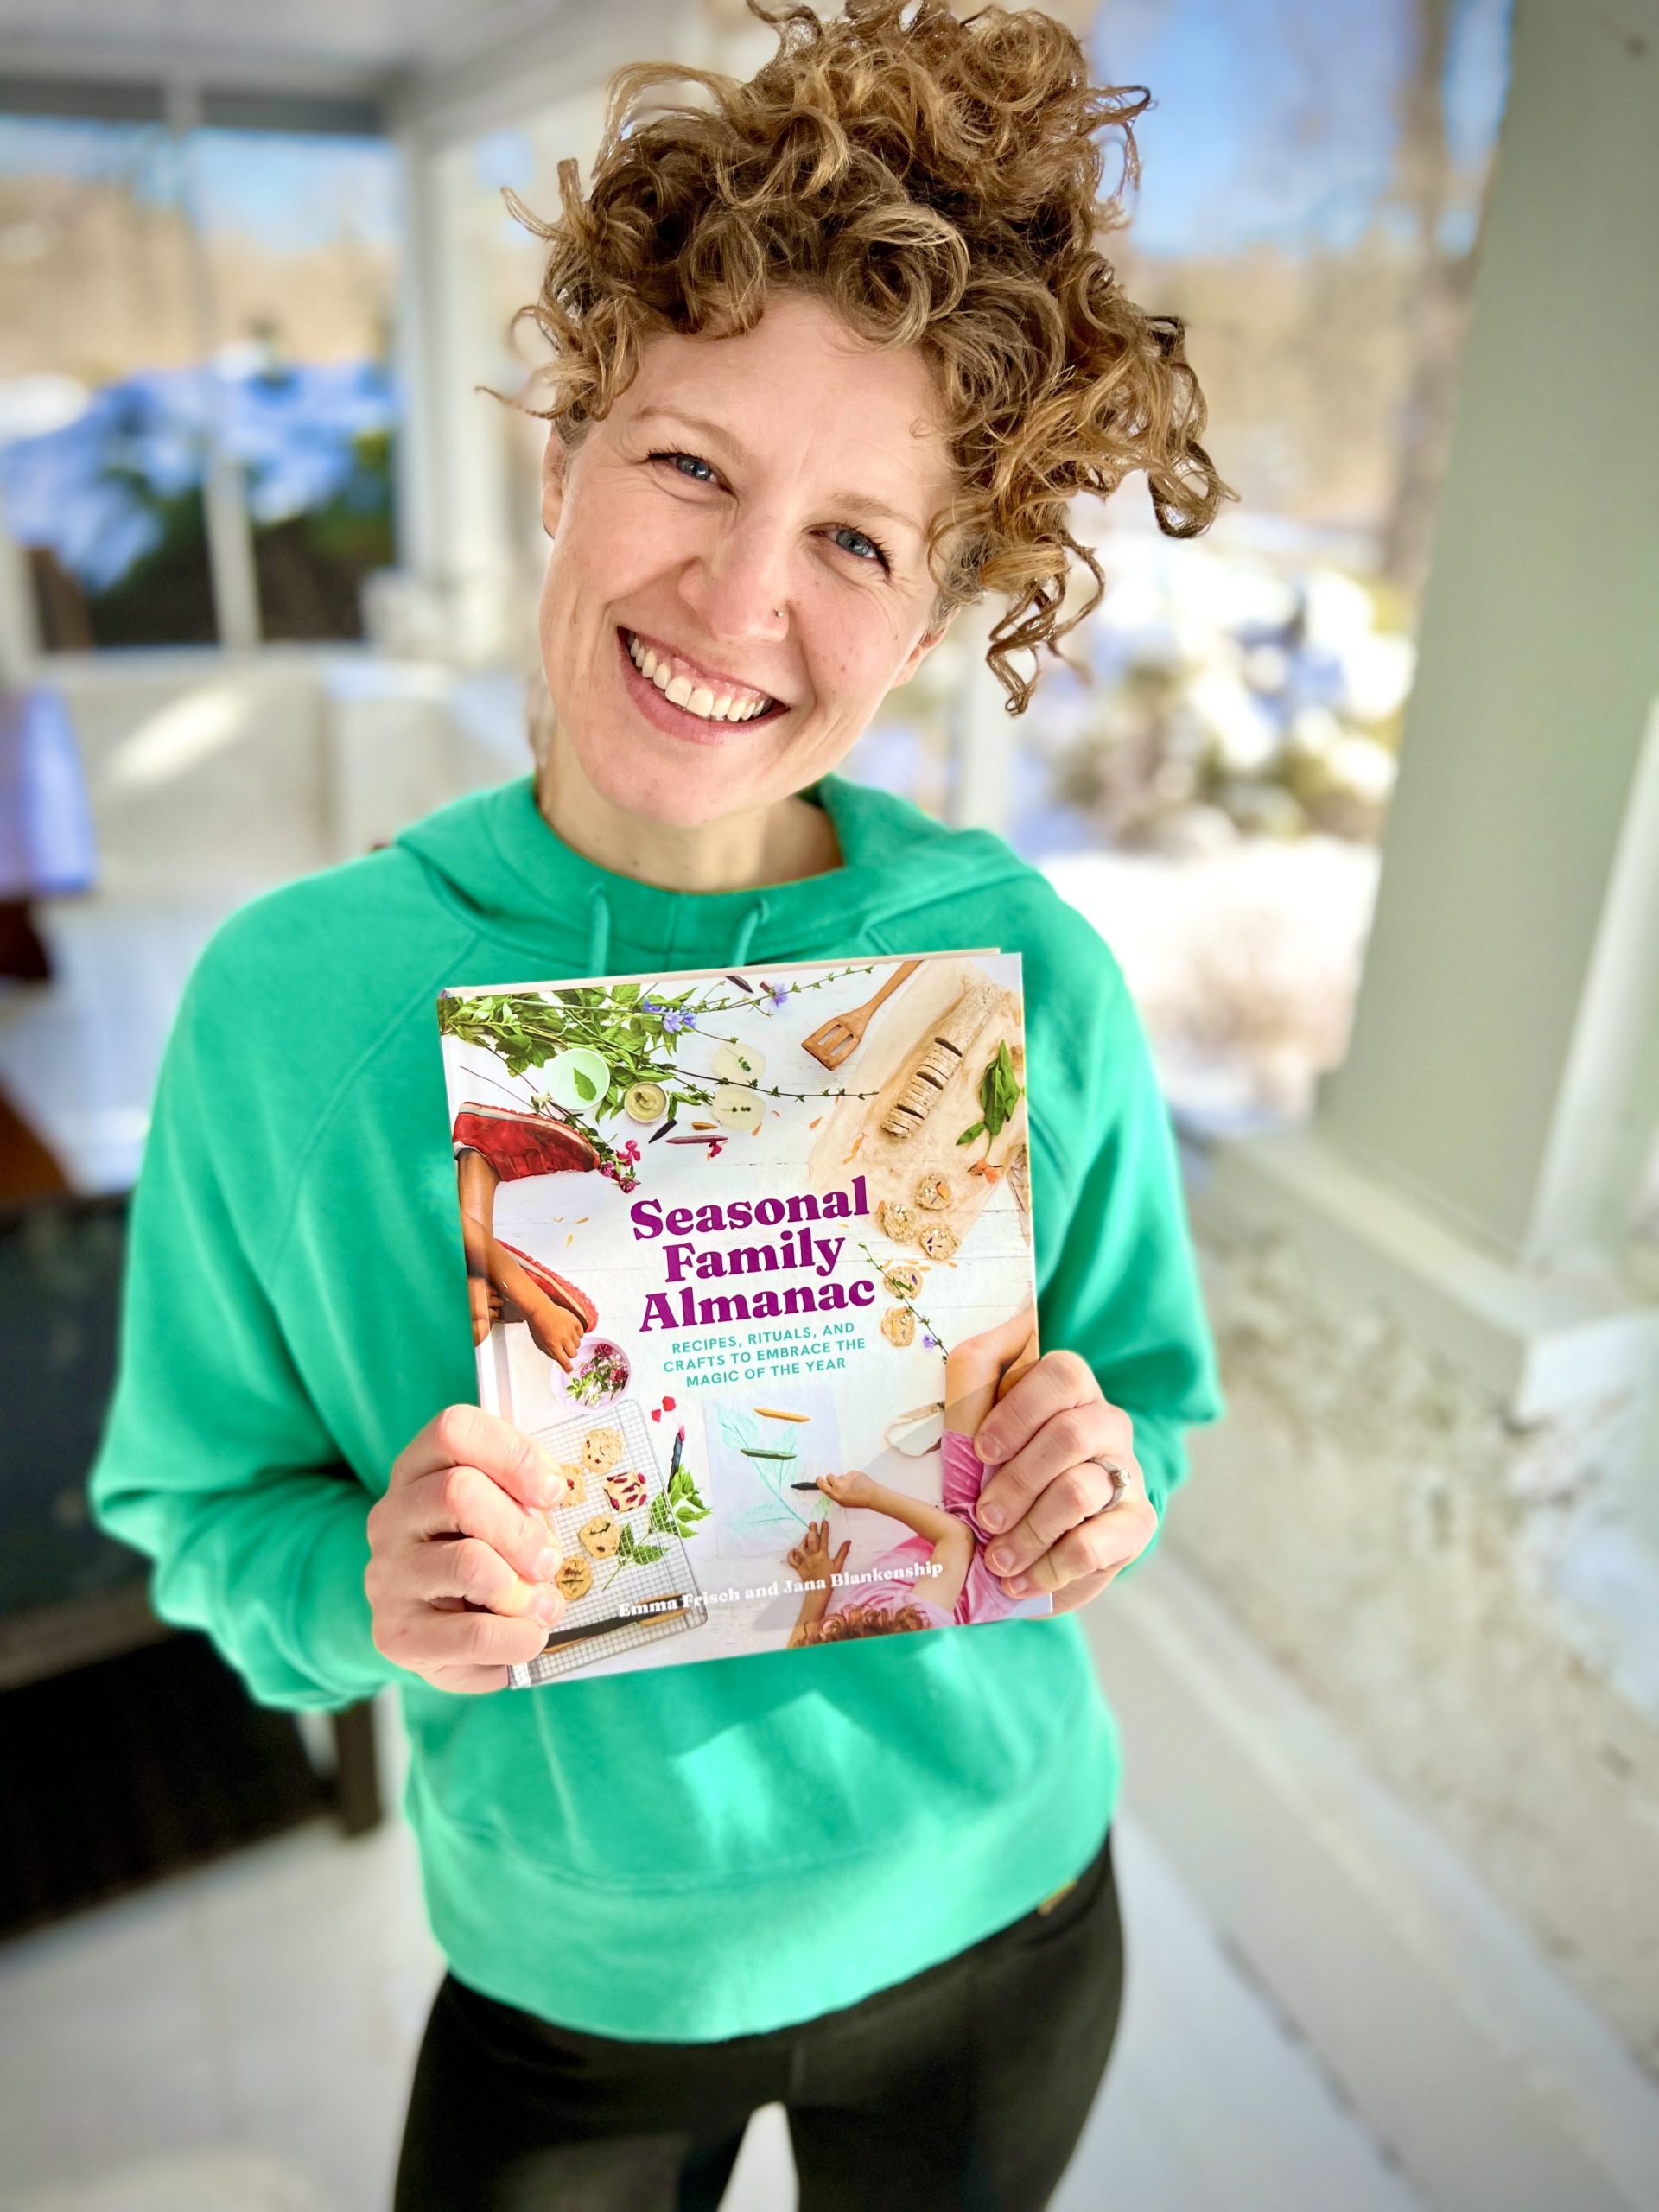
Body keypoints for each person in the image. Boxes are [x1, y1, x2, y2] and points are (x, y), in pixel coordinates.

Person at [89, 3, 1230, 2204]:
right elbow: (198, 1506)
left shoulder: (1018, 973)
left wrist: (1103, 1483)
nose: (737, 599)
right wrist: (363, 1585)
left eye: (857, 541)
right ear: (561, 456)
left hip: (1000, 1910)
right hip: (571, 1970)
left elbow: (1151, 1398)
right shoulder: (286, 1008)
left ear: (931, 616)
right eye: (690, 464)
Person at [788, 1304, 1058, 1641]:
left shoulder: (819, 1652)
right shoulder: (917, 1625)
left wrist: (819, 1586)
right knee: (977, 1364)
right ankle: (1055, 1308)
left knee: (999, 1378)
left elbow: (800, 1641)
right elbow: (957, 1538)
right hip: (983, 1551)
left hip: (956, 1546)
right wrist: (872, 1496)